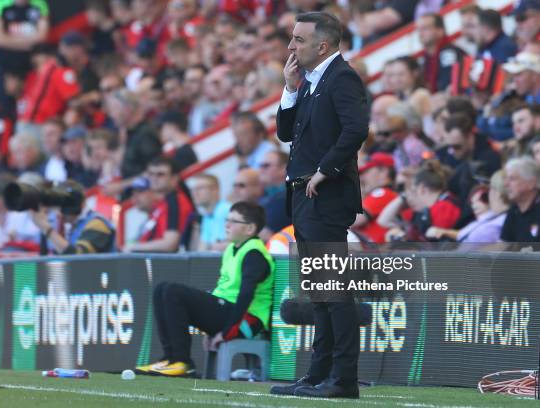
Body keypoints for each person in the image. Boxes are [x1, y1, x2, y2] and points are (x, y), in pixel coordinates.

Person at [271, 12, 369, 399]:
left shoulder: (341, 77)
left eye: (298, 39)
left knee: (334, 292)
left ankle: (342, 379)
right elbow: (284, 133)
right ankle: (318, 374)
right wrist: (290, 88)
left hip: (325, 197)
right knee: (319, 293)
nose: (291, 46)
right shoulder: (311, 82)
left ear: (322, 45)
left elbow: (356, 128)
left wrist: (325, 170)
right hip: (303, 198)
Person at [135, 201, 274, 377]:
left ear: (250, 229)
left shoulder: (255, 254)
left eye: (234, 221)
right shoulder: (232, 248)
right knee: (161, 289)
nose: (227, 225)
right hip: (228, 311)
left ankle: (182, 361)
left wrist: (226, 332)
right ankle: (170, 358)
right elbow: (224, 290)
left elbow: (246, 295)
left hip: (245, 320)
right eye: (227, 219)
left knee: (172, 291)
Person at [123, 157, 194, 252]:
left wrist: (133, 247)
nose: (154, 178)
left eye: (160, 175)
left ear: (174, 179)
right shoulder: (163, 201)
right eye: (151, 174)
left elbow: (170, 244)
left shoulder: (175, 201)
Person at [29, 179, 117, 254]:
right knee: (24, 271)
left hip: (99, 273)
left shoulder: (97, 223)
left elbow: (78, 259)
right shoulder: (65, 226)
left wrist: (46, 228)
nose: (60, 211)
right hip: (68, 273)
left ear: (81, 203)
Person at [352, 152, 398, 244]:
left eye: (367, 171)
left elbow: (355, 220)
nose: (363, 177)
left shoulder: (384, 193)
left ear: (383, 171)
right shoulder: (385, 193)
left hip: (375, 251)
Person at [417, 13, 465, 93]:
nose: (420, 34)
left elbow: (447, 84)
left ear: (440, 31)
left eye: (425, 28)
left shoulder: (450, 52)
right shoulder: (423, 60)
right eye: (419, 29)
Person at [500, 157, 540, 242]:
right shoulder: (514, 209)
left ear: (531, 183)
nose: (506, 184)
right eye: (506, 179)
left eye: (512, 179)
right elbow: (504, 245)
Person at [191, 174, 230, 251]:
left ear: (215, 190)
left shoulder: (226, 210)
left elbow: (221, 248)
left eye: (200, 188)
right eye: (192, 190)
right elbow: (202, 249)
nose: (194, 193)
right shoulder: (207, 215)